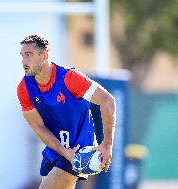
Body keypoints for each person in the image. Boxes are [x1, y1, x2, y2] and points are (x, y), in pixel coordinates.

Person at [17, 34, 116, 189]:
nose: (24, 61)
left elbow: (108, 101)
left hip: (80, 150)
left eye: (29, 55)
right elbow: (38, 126)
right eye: (22, 56)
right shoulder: (24, 88)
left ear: (44, 56)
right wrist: (63, 151)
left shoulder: (70, 78)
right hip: (55, 151)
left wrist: (107, 144)